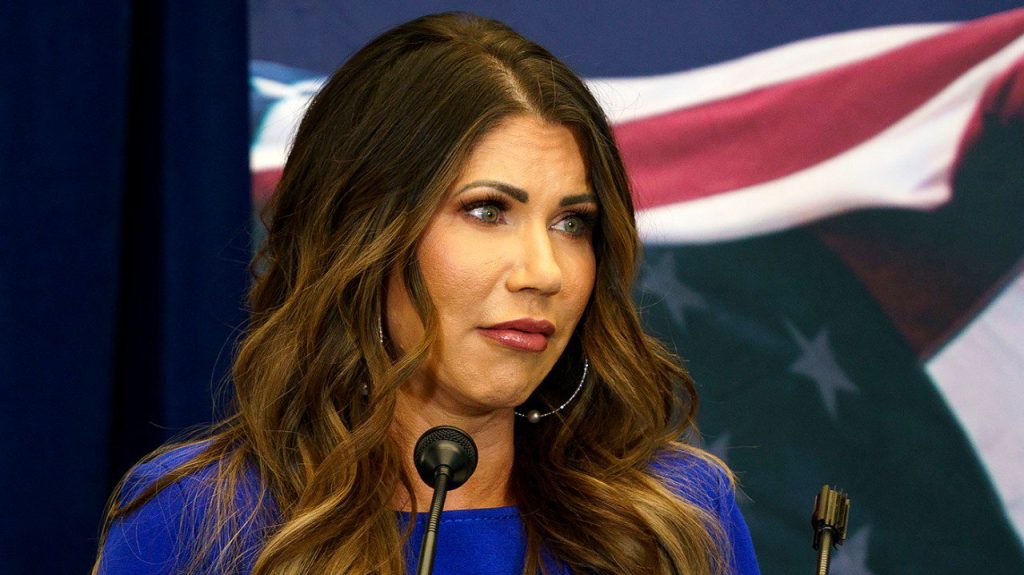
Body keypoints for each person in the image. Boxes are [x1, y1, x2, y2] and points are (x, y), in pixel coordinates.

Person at [93, 12, 759, 575]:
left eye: (572, 223)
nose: (544, 271)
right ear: (362, 232)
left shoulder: (673, 517)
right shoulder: (198, 519)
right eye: (488, 210)